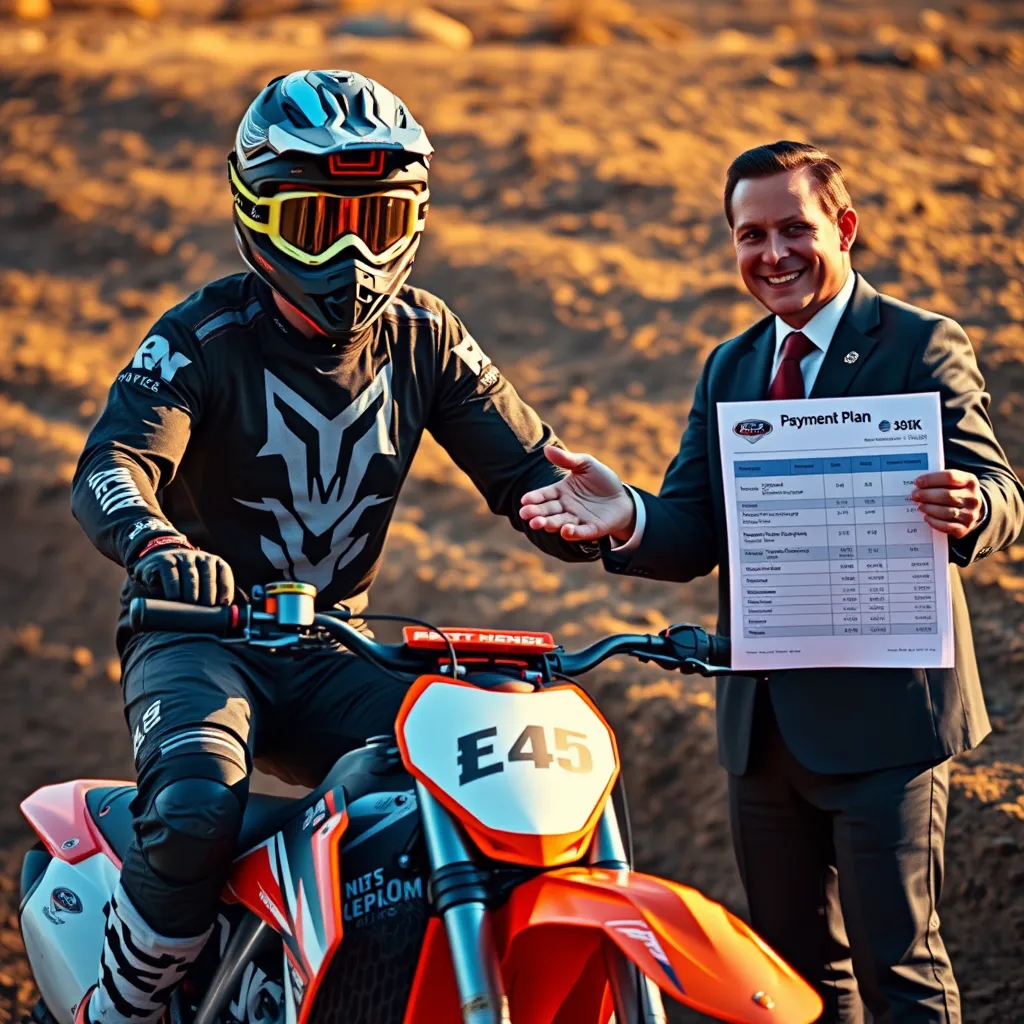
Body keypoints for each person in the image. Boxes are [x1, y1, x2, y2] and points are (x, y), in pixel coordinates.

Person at [70, 70, 596, 1024]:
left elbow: (532, 476)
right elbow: (112, 465)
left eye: (378, 222)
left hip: (331, 647)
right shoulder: (200, 336)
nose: (352, 255)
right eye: (318, 223)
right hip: (198, 638)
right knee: (193, 809)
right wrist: (154, 541)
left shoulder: (427, 333)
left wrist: (615, 515)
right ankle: (122, 1007)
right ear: (255, 214)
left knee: (484, 777)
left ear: (415, 222)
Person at [519, 141, 1024, 1023]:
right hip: (763, 733)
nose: (774, 254)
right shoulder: (733, 366)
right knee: (788, 985)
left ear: (846, 228)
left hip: (887, 730)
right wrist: (627, 515)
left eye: (796, 228)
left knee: (898, 974)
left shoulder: (919, 344)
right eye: (751, 235)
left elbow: (1007, 493)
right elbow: (692, 528)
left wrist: (974, 505)